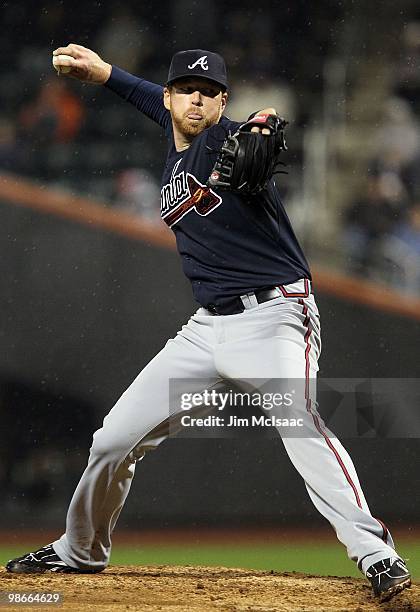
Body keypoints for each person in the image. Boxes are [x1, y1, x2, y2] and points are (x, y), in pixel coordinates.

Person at [6, 44, 411, 602]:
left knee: (300, 422)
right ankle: (79, 550)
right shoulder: (173, 133)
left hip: (274, 316)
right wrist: (105, 75)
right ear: (170, 97)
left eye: (211, 94)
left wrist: (262, 128)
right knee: (111, 440)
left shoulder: (225, 143)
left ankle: (377, 555)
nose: (198, 101)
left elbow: (257, 131)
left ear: (223, 105)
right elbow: (153, 101)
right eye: (187, 91)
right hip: (205, 329)